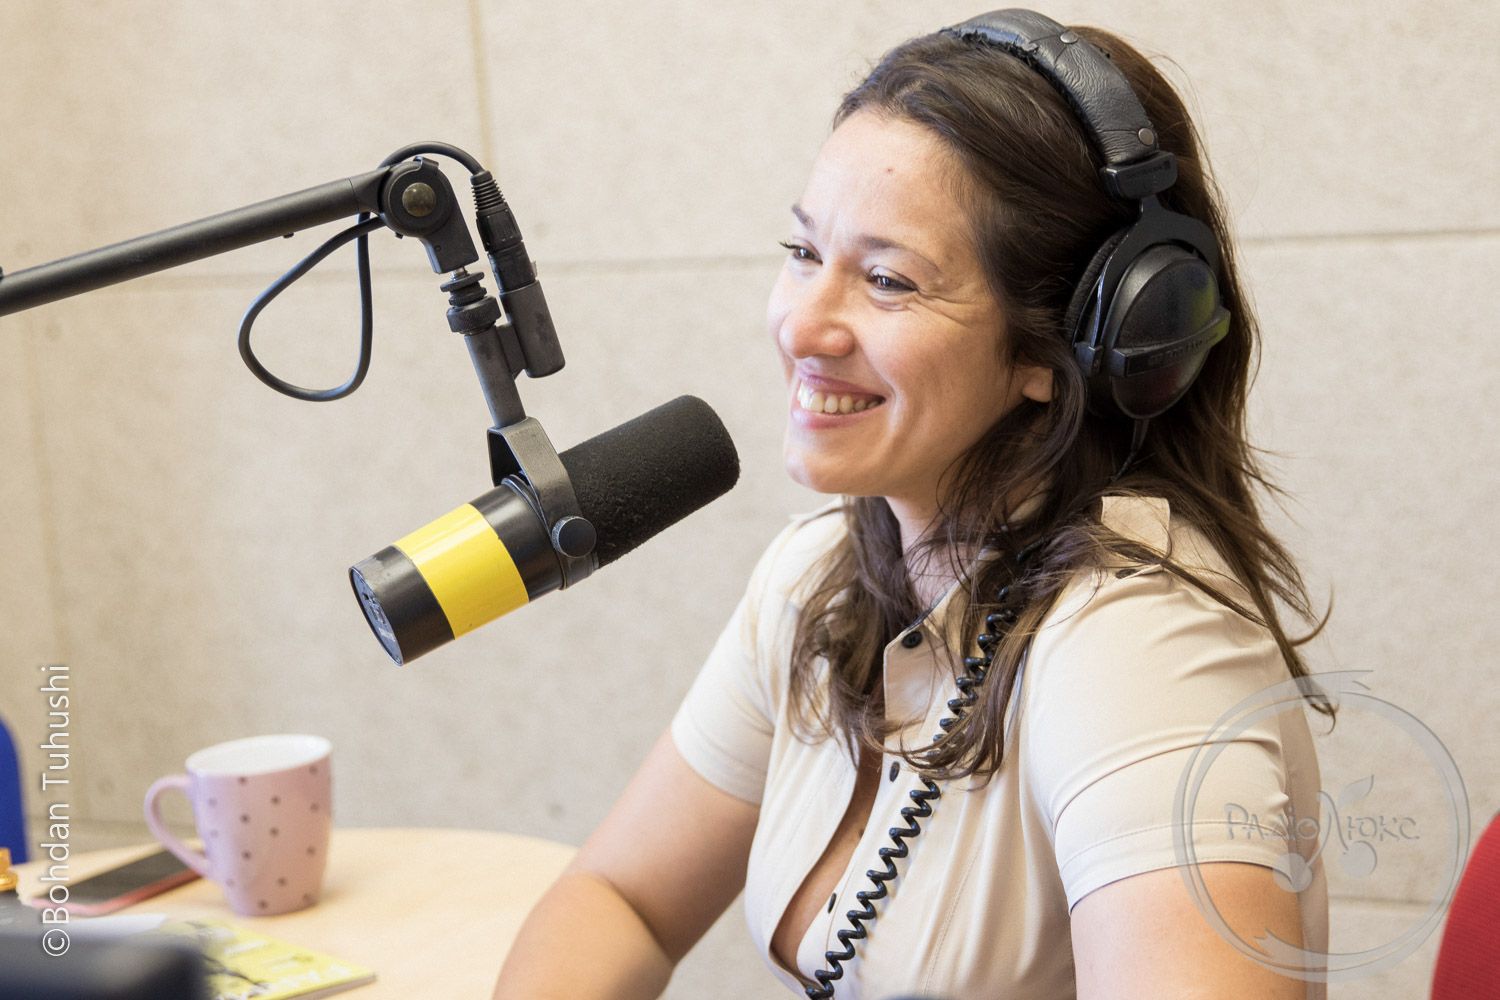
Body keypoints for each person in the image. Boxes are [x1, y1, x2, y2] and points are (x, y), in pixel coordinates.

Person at [494, 10, 1332, 1000]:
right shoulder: (819, 575)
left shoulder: (1137, 645)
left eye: (888, 280)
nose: (803, 324)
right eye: (804, 251)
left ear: (1065, 345)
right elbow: (621, 898)